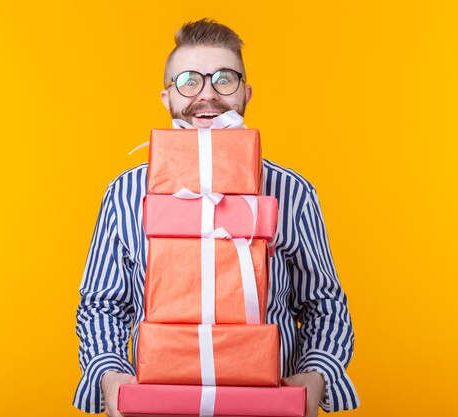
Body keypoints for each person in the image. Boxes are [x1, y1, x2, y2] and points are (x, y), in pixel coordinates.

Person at [72, 18, 360, 417]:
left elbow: (324, 304)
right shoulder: (125, 193)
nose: (207, 95)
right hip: (157, 407)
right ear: (167, 97)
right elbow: (103, 304)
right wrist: (109, 376)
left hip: (265, 407)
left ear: (247, 93)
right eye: (189, 81)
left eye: (224, 79)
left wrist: (316, 376)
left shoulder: (292, 192)